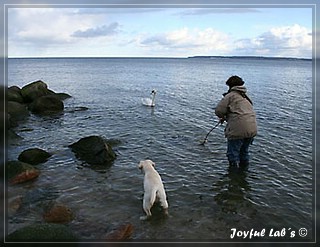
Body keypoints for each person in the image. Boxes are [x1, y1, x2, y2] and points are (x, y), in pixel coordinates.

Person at [215, 75, 257, 170]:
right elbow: (240, 112)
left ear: (230, 85)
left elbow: (218, 111)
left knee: (232, 154)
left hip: (238, 130)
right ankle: (243, 173)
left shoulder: (230, 95)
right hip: (252, 128)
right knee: (244, 152)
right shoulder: (245, 97)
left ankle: (233, 176)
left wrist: (223, 117)